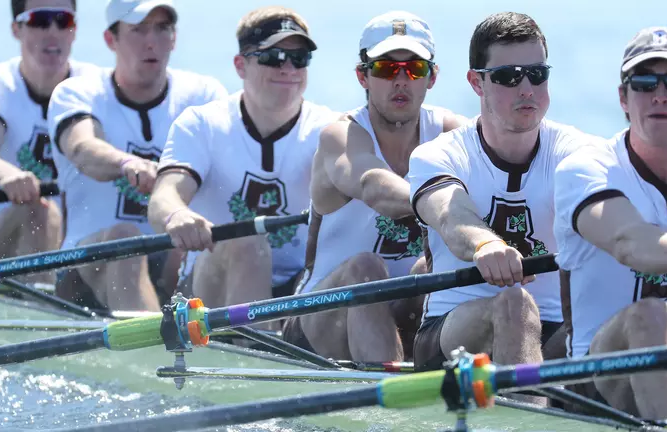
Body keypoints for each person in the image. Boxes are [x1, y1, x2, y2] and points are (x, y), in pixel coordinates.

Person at [407, 12, 594, 403]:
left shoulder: (577, 152)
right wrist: (484, 245)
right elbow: (450, 214)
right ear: (477, 82)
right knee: (513, 303)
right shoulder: (438, 155)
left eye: (537, 74)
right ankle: (526, 420)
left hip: (557, 332)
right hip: (452, 333)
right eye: (510, 77)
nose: (526, 88)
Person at [280, 11, 467, 362]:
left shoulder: (452, 133)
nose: (400, 80)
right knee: (365, 268)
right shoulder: (341, 136)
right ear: (362, 76)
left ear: (432, 77)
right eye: (385, 69)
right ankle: (392, 409)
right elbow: (372, 186)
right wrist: (442, 205)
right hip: (318, 322)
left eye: (414, 68)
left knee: (432, 269)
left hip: (407, 309)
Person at [149, 6, 337, 323]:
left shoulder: (330, 129)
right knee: (248, 244)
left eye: (299, 58)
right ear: (240, 65)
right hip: (210, 286)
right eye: (273, 57)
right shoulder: (202, 125)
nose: (288, 68)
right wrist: (177, 214)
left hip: (297, 289)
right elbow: (163, 196)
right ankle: (250, 358)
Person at [49, 0, 227, 312]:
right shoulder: (77, 92)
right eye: (139, 30)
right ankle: (153, 350)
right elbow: (81, 148)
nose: (152, 42)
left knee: (226, 246)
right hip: (88, 267)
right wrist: (127, 163)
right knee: (125, 237)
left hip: (175, 260)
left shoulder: (204, 96)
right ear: (110, 39)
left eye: (162, 29)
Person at [553, 27, 667, 418]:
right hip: (596, 381)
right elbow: (630, 244)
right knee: (650, 315)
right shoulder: (586, 169)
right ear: (624, 98)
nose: (661, 94)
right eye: (645, 83)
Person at [0, 0, 98, 287]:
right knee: (40, 211)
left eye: (63, 20)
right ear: (16, 29)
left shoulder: (95, 85)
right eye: (39, 20)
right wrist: (6, 175)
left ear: (75, 30)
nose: (53, 31)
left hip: (74, 248)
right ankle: (44, 317)